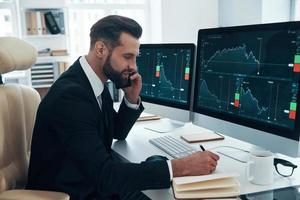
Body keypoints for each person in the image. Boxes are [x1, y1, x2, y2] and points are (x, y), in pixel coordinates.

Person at [26, 15, 219, 200]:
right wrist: (180, 167)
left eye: (135, 58)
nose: (134, 67)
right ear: (101, 49)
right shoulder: (71, 95)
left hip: (90, 184)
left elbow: (116, 131)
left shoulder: (94, 82)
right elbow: (105, 176)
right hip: (73, 193)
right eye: (128, 57)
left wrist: (131, 98)